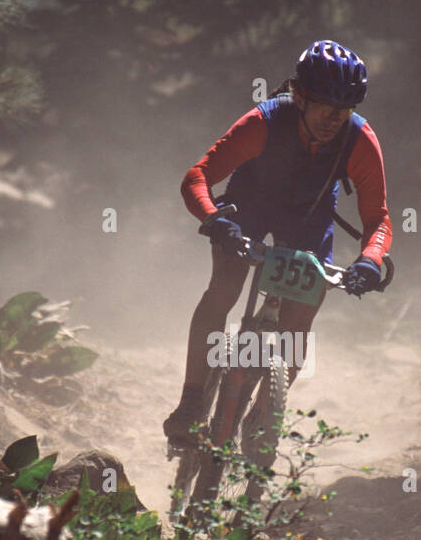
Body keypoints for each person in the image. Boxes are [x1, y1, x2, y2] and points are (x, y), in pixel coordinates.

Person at [163, 39, 392, 444]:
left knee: (299, 320)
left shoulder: (359, 140)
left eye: (344, 110)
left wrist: (370, 260)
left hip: (309, 217)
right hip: (249, 205)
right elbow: (197, 177)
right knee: (224, 288)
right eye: (325, 106)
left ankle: (264, 418)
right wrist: (216, 220)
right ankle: (192, 401)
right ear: (300, 97)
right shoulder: (263, 122)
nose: (334, 119)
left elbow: (378, 220)